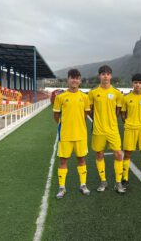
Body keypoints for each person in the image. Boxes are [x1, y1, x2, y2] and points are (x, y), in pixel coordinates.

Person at [53, 69, 91, 199]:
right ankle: (62, 187)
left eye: (77, 78)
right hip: (65, 135)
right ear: (67, 80)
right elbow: (56, 115)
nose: (74, 80)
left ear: (80, 80)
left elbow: (85, 115)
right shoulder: (60, 97)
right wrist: (66, 125)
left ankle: (83, 185)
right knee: (63, 160)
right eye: (72, 78)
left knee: (81, 159)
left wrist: (77, 124)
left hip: (81, 134)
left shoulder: (84, 97)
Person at [88, 65, 125, 194]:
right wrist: (97, 120)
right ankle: (103, 180)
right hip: (98, 130)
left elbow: (118, 110)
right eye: (103, 74)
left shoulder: (116, 93)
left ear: (111, 76)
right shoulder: (93, 93)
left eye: (108, 74)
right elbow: (90, 110)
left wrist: (111, 120)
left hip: (113, 130)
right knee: (99, 154)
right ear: (99, 76)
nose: (105, 76)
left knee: (118, 154)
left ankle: (118, 182)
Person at [121, 73, 141, 188]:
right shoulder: (126, 98)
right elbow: (123, 114)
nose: (137, 85)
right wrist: (129, 122)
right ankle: (124, 178)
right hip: (130, 128)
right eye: (135, 82)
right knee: (128, 153)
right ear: (132, 83)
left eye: (140, 83)